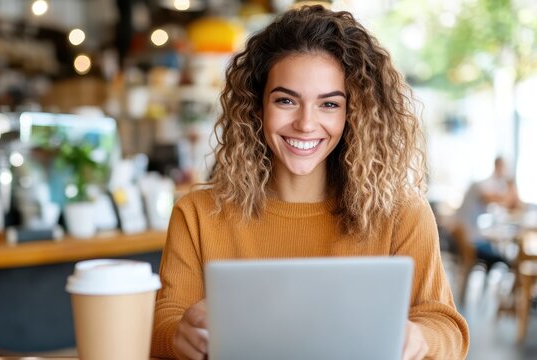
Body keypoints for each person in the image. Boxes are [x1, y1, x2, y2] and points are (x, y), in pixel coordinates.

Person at [151, 5, 469, 360]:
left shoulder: (401, 213)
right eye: (286, 100)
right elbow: (164, 323)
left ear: (354, 114)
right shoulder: (197, 214)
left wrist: (420, 337)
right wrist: (179, 336)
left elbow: (446, 327)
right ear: (257, 107)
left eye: (329, 104)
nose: (305, 123)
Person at [456, 156, 521, 266]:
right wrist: (511, 186)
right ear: (499, 167)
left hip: (471, 237)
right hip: (471, 241)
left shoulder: (491, 185)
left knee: (504, 253)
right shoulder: (483, 185)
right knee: (508, 259)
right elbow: (504, 201)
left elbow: (513, 205)